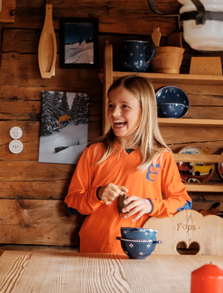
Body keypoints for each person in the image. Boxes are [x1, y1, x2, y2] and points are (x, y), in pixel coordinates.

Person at [65, 76, 191, 254]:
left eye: (125, 106)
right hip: (96, 249)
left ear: (144, 110)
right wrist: (98, 194)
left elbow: (184, 203)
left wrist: (150, 205)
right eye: (111, 105)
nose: (115, 113)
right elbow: (72, 204)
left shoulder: (161, 156)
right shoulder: (93, 152)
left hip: (144, 254)